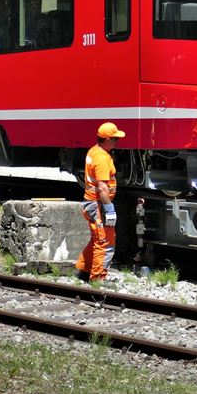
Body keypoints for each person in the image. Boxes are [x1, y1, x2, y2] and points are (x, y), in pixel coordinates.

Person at [74, 122, 124, 285]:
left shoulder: (94, 151)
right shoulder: (102, 158)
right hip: (98, 205)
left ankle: (83, 270)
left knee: (97, 239)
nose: (117, 141)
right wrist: (109, 209)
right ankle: (98, 278)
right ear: (108, 140)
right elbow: (102, 188)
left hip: (92, 203)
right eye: (115, 139)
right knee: (105, 241)